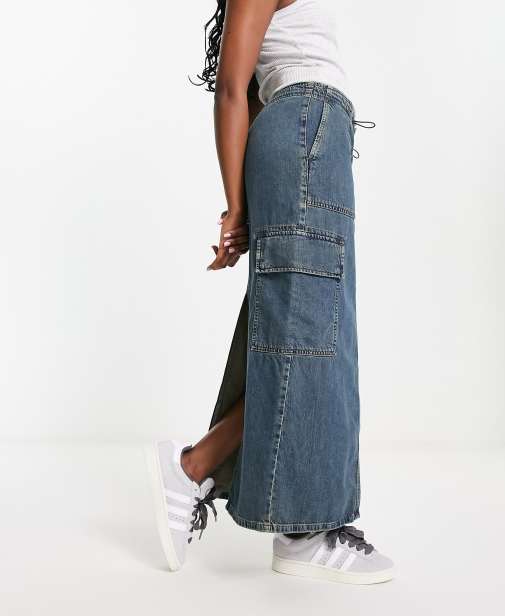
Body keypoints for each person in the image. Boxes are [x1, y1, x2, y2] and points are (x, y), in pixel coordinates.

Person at [146, 0, 394, 584]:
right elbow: (233, 89)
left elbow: (253, 93)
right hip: (306, 131)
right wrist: (237, 207)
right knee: (307, 333)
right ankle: (305, 532)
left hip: (313, 138)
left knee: (313, 333)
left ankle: (196, 468)